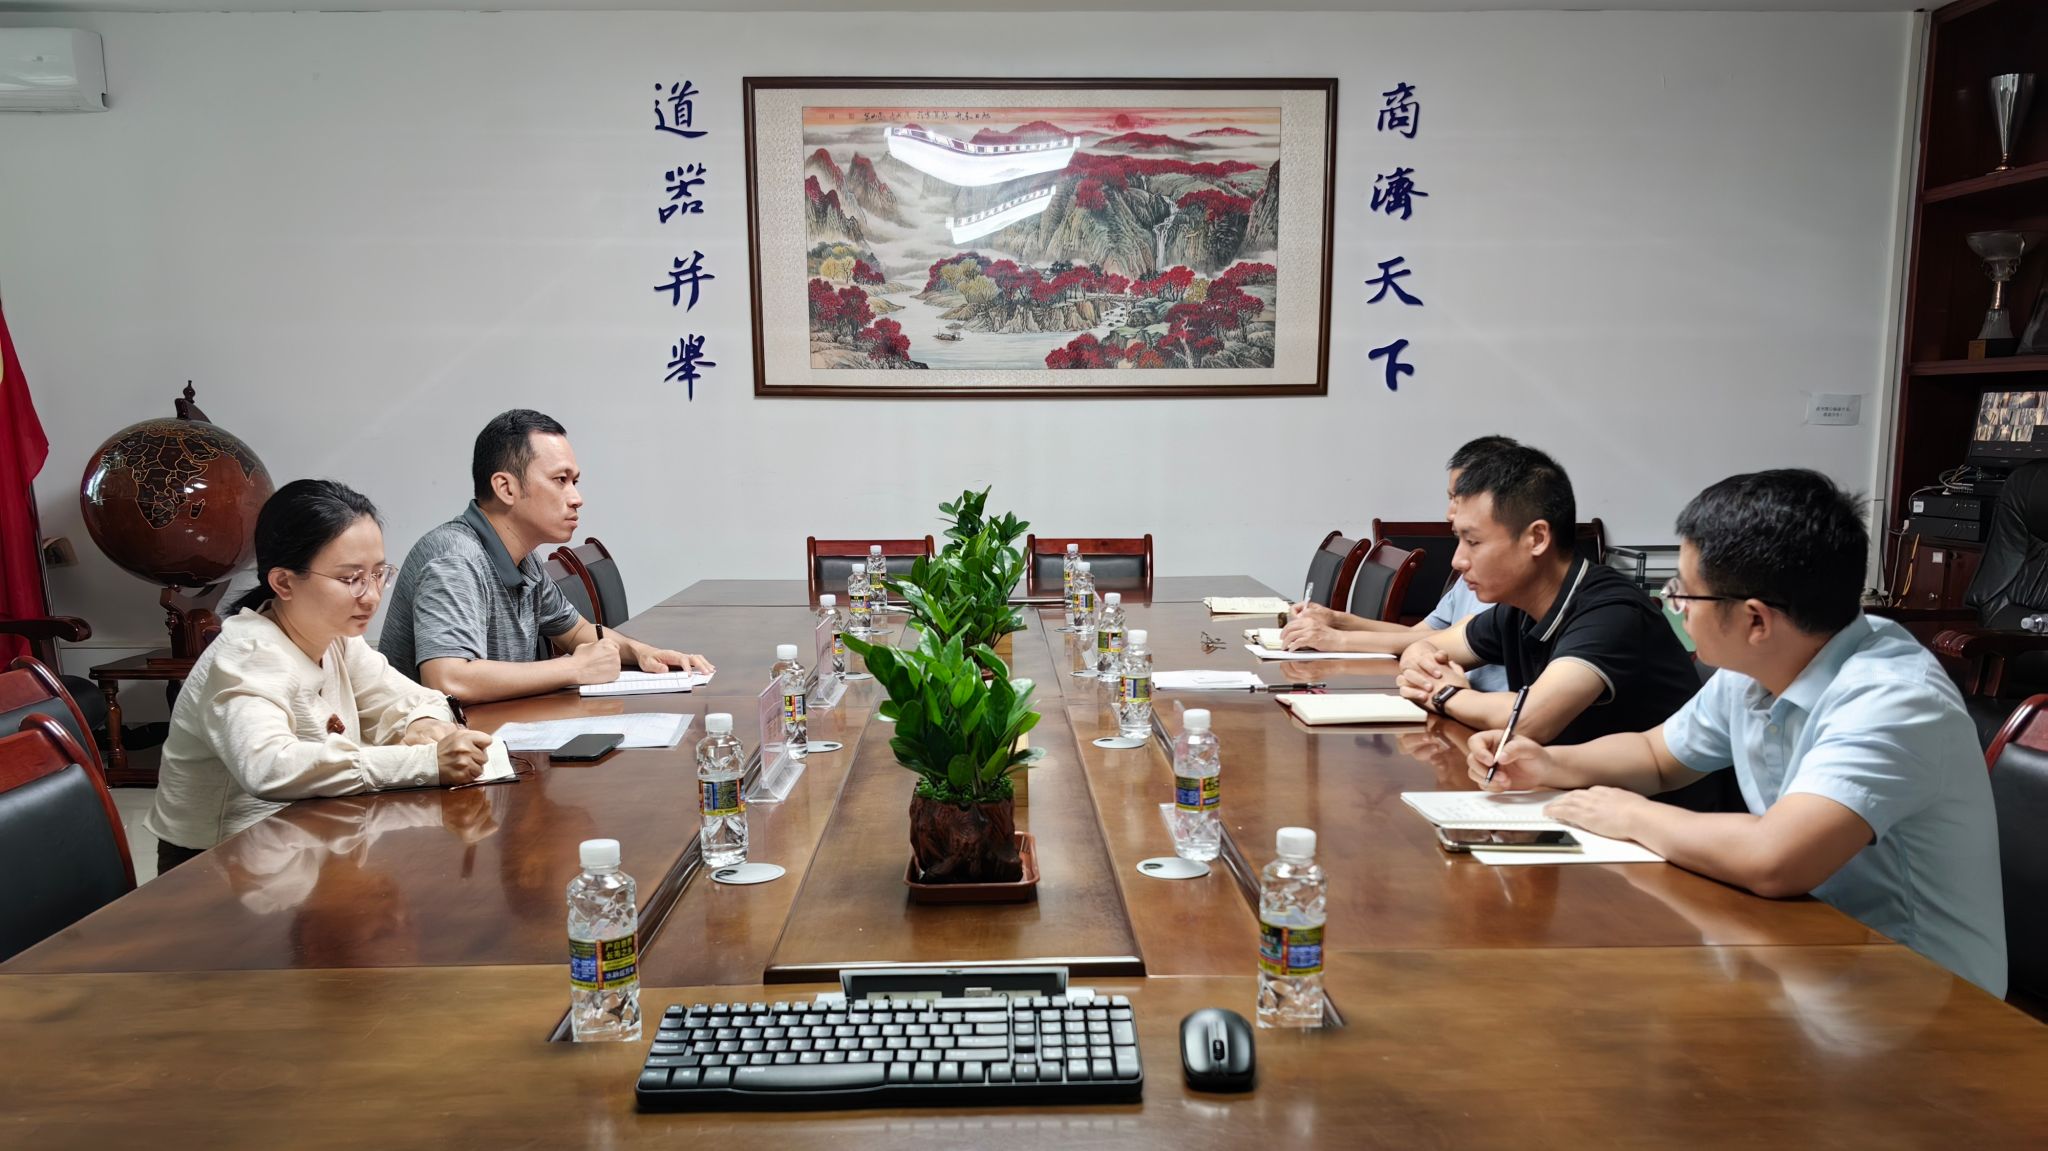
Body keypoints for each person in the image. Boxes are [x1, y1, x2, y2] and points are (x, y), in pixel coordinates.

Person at [1467, 469, 2006, 996]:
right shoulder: (1761, 664)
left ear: (1755, 620)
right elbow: (1656, 755)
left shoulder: (1892, 700)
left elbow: (1776, 860)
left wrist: (1628, 814)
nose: (1673, 606)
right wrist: (1548, 764)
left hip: (1917, 994)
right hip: (1803, 953)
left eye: (1686, 594)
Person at [145, 480, 495, 874]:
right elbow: (271, 767)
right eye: (351, 579)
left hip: (309, 840)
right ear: (283, 582)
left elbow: (416, 698)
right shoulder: (248, 654)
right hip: (220, 866)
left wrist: (422, 723)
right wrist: (423, 761)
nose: (372, 596)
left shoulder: (336, 637)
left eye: (378, 574)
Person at [380, 409, 711, 703]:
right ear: (506, 488)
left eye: (574, 481)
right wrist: (575, 668)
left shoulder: (525, 560)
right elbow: (448, 679)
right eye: (560, 480)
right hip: (437, 749)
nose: (576, 498)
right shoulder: (455, 559)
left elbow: (576, 632)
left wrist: (642, 652)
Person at [1397, 444, 1702, 747]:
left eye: (1473, 542)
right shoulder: (1519, 608)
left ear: (1537, 538)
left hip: (1640, 781)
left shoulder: (1611, 611)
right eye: (1459, 540)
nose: (1457, 561)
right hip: (1557, 775)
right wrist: (1424, 667)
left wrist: (1447, 693)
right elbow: (1423, 646)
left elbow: (1530, 721)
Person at [1281, 435, 1514, 690]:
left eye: (1459, 499)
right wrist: (1336, 620)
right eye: (1450, 498)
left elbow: (1443, 643)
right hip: (1450, 696)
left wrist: (1337, 639)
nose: (1449, 512)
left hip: (1470, 702)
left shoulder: (1506, 584)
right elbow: (1417, 635)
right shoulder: (1472, 574)